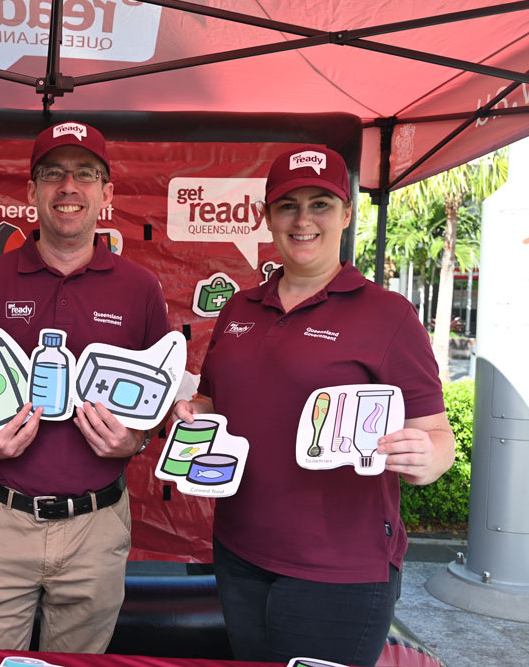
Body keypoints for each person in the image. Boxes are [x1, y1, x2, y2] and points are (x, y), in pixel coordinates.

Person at [172, 146, 456, 666]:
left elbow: (438, 437)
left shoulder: (388, 315)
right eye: (288, 205)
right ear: (267, 217)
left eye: (320, 204)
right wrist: (195, 413)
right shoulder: (240, 307)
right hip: (239, 550)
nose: (304, 220)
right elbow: (213, 398)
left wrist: (424, 459)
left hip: (340, 569)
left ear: (347, 214)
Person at [0, 122, 171, 653]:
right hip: (5, 518)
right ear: (32, 191)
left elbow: (158, 395)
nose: (69, 187)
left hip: (98, 524)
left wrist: (134, 440)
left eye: (85, 174)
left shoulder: (140, 288)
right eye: (53, 174)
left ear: (107, 193)